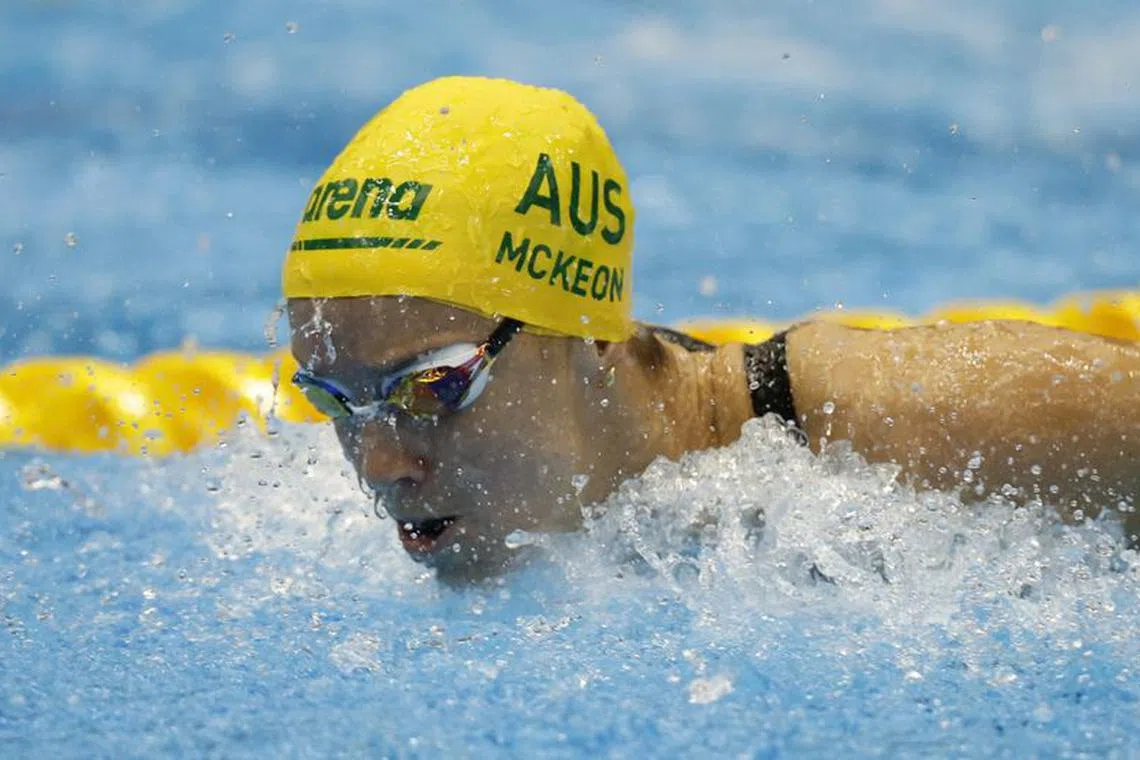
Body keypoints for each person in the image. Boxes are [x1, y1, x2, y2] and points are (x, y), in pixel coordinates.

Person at [284, 75, 1140, 579]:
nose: (381, 463)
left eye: (434, 386)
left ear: (590, 332)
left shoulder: (912, 422)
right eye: (335, 401)